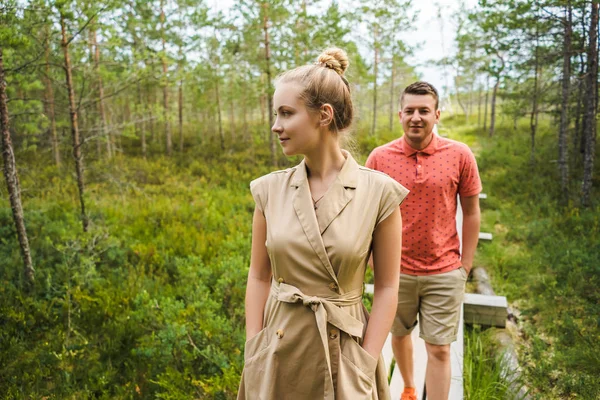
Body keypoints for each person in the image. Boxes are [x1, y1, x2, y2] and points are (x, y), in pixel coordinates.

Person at [237, 48, 409, 400]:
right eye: (276, 114)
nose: (276, 125)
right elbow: (259, 276)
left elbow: (389, 287)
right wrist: (254, 345)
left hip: (345, 352)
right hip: (278, 350)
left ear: (323, 115)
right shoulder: (269, 190)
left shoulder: (379, 193)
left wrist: (366, 359)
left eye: (286, 113)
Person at [366, 81, 481, 400]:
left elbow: (471, 212)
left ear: (437, 114)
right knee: (400, 336)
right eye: (410, 110)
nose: (416, 117)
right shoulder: (379, 158)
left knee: (440, 350)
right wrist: (376, 264)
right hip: (395, 274)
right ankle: (409, 386)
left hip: (444, 271)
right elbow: (365, 215)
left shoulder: (459, 154)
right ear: (399, 114)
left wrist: (465, 266)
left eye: (424, 110)